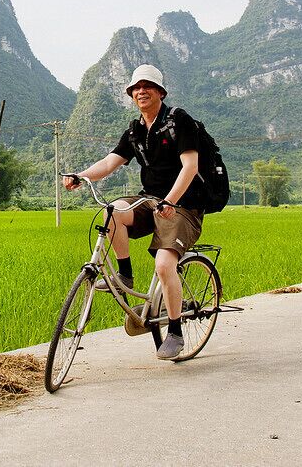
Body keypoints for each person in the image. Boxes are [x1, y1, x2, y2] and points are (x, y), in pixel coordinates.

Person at [63, 64, 204, 360]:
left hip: (183, 205)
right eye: (136, 87)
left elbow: (190, 167)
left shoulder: (179, 121)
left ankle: (176, 331)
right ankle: (125, 276)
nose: (142, 91)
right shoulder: (135, 130)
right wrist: (80, 175)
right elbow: (109, 162)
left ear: (160, 92)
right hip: (149, 201)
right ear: (131, 94)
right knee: (112, 211)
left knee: (165, 265)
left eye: (148, 86)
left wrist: (169, 200)